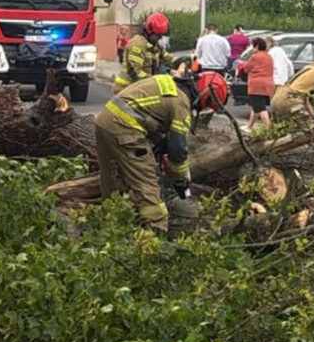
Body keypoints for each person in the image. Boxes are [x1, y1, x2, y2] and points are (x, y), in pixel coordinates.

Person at [95, 70, 228, 232]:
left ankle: (109, 229)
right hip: (125, 128)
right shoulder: (182, 103)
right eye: (207, 106)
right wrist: (181, 179)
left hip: (105, 119)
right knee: (148, 189)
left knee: (113, 182)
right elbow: (178, 150)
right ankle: (155, 238)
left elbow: (148, 113)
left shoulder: (167, 82)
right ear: (206, 97)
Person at [113, 12, 181, 93]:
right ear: (149, 32)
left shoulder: (154, 45)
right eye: (158, 35)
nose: (160, 38)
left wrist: (182, 61)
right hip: (126, 88)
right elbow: (136, 72)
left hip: (139, 87)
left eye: (161, 36)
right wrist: (155, 82)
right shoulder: (137, 44)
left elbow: (168, 58)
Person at [270, 52, 314, 129]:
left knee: (280, 132)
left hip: (277, 98)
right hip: (291, 101)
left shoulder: (309, 68)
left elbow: (304, 98)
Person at [242, 37, 274, 132]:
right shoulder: (269, 56)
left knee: (260, 108)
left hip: (256, 85)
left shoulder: (255, 56)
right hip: (268, 84)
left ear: (256, 46)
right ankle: (249, 126)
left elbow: (246, 68)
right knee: (256, 106)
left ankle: (268, 128)